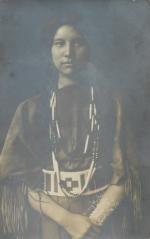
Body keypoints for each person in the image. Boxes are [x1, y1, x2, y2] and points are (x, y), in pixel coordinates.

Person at [0, 21, 141, 239]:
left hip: (101, 221)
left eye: (78, 43)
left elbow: (124, 175)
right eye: (59, 44)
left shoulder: (110, 106)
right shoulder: (31, 109)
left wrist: (93, 223)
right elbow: (18, 177)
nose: (68, 53)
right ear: (49, 50)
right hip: (49, 220)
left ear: (90, 48)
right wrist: (67, 220)